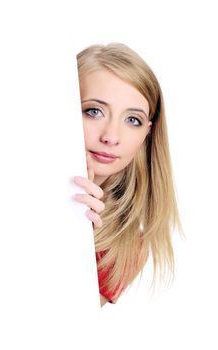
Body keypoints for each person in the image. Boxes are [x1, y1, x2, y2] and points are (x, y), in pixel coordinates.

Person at [73, 43, 181, 307]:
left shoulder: (127, 249)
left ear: (147, 132)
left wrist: (74, 230)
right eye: (94, 111)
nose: (111, 136)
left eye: (132, 120)